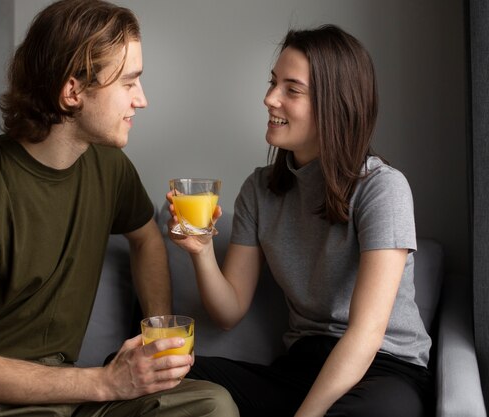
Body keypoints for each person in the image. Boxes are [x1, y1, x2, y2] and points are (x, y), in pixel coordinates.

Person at [0, 1, 238, 416]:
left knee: (211, 404)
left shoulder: (108, 165)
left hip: (69, 390)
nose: (142, 100)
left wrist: (157, 338)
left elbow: (146, 239)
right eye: (128, 83)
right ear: (72, 92)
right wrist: (104, 382)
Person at [167, 24, 433, 417]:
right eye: (273, 83)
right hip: (301, 369)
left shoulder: (383, 189)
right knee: (154, 377)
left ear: (334, 104)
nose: (269, 98)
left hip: (382, 371)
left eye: (291, 90)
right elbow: (228, 312)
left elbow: (365, 334)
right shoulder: (259, 189)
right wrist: (202, 250)